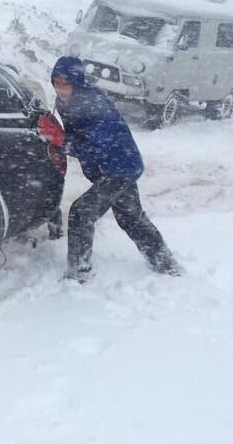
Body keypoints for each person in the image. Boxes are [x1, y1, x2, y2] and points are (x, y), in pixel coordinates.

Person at [38, 56, 182, 283]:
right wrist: (60, 137)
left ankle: (79, 273)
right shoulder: (67, 100)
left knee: (81, 212)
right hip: (112, 168)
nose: (60, 87)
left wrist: (62, 141)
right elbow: (80, 137)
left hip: (118, 168)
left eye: (65, 83)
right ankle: (165, 263)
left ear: (76, 81)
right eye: (56, 82)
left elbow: (98, 148)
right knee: (131, 218)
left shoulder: (93, 104)